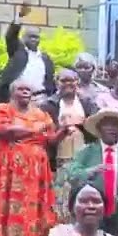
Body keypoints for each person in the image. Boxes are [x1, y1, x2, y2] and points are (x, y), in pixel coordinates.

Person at [0, 79, 60, 236]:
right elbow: (4, 130)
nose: (25, 92)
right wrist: (35, 128)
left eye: (28, 89)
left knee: (34, 210)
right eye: (21, 89)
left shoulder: (40, 113)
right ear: (12, 92)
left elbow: (50, 139)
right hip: (9, 170)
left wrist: (65, 130)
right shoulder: (2, 110)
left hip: (36, 170)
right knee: (8, 209)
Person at [41, 70, 99, 215]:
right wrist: (64, 128)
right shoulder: (48, 105)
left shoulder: (87, 103)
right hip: (58, 158)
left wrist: (82, 124)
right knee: (61, 195)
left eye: (71, 80)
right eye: (63, 80)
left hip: (85, 157)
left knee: (83, 193)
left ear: (77, 82)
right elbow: (45, 136)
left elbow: (97, 129)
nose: (68, 84)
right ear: (56, 83)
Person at [0, 4, 54, 103]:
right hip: (18, 99)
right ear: (23, 38)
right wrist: (20, 17)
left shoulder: (45, 58)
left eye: (36, 37)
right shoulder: (18, 52)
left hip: (41, 99)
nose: (33, 39)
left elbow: (50, 81)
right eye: (30, 36)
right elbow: (10, 36)